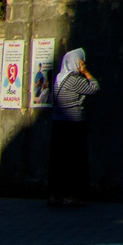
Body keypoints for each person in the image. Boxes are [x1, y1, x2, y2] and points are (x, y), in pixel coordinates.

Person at [46, 49, 97, 207]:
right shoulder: (73, 80)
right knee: (74, 162)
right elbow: (95, 87)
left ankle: (56, 195)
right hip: (73, 125)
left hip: (58, 124)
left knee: (59, 161)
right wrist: (86, 72)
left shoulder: (58, 78)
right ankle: (72, 196)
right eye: (81, 61)